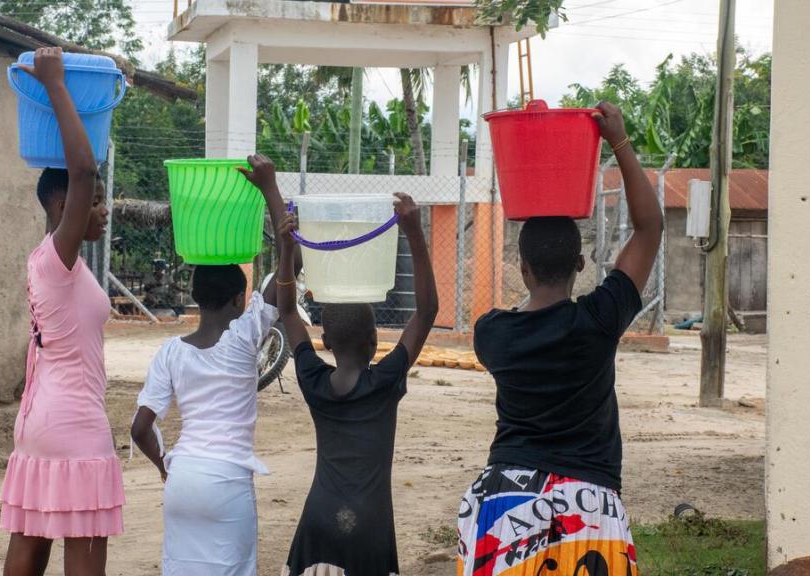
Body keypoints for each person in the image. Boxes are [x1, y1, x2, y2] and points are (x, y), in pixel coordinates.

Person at [456, 102, 663, 575]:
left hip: (503, 497)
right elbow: (649, 228)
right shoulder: (599, 319)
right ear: (581, 266)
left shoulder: (491, 335)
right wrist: (620, 141)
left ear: (522, 268)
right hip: (587, 506)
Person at [130, 154, 301, 576]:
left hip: (183, 479)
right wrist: (269, 189)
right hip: (226, 482)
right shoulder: (245, 337)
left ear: (195, 297)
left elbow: (139, 429)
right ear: (239, 301)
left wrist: (166, 466)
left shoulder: (171, 351)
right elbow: (290, 270)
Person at [0, 47, 121, 576]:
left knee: (30, 548)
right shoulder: (57, 258)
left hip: (44, 422)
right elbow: (84, 167)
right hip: (74, 425)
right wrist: (55, 85)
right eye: (94, 201)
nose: (104, 207)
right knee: (82, 552)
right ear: (61, 206)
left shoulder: (50, 264)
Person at [275, 193, 438, 576]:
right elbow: (427, 312)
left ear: (326, 343)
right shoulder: (385, 381)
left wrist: (286, 249)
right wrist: (413, 234)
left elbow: (285, 310)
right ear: (375, 342)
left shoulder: (314, 380)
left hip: (318, 518)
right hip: (370, 526)